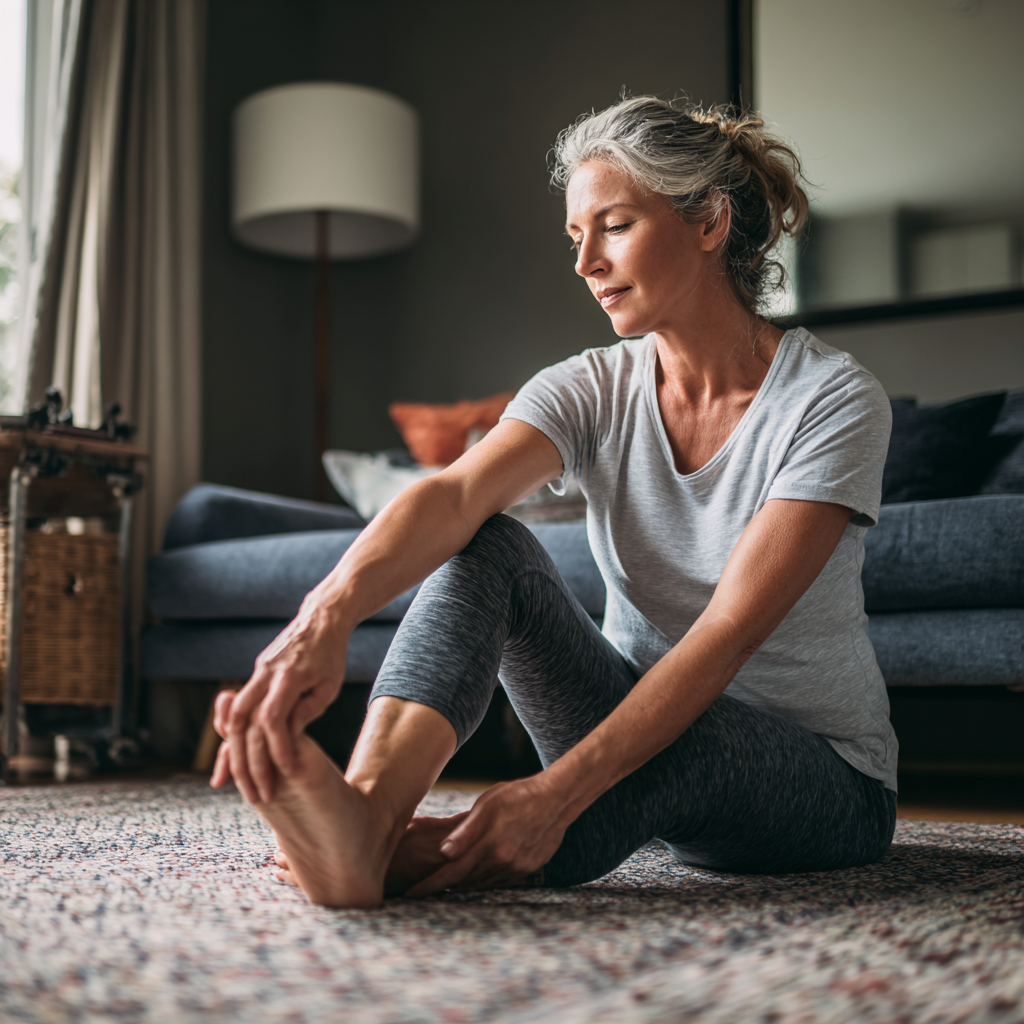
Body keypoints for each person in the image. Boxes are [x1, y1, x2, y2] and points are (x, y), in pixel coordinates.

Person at [211, 96, 898, 909]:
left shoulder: (833, 399)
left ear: (709, 222)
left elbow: (725, 635)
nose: (586, 264)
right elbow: (455, 493)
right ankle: (369, 816)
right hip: (639, 735)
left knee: (669, 752)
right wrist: (318, 623)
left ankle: (402, 856)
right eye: (577, 238)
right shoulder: (591, 385)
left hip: (826, 787)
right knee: (487, 546)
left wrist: (555, 794)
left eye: (613, 226)